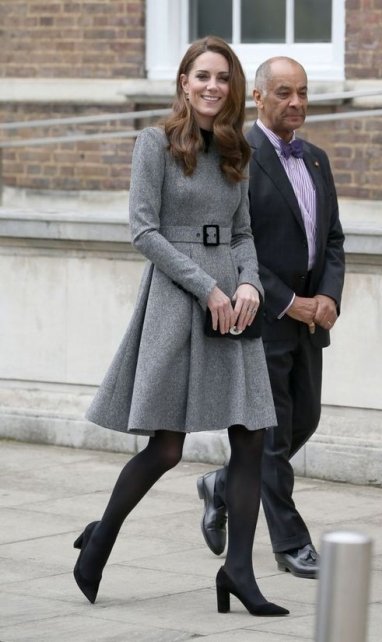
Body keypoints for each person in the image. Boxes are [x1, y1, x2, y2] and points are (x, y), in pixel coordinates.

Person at [73, 37, 288, 617]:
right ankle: (101, 538)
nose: (213, 86)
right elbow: (143, 230)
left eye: (223, 77)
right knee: (167, 448)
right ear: (184, 83)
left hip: (233, 303)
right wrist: (207, 287)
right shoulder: (155, 143)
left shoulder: (237, 149)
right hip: (178, 299)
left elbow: (242, 233)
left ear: (233, 87)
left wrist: (249, 284)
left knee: (251, 435)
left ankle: (238, 571)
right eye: (202, 76)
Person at [197, 56, 345, 579]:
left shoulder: (317, 159)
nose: (296, 102)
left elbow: (332, 238)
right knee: (274, 438)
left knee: (306, 421)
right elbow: (237, 244)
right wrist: (287, 301)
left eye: (302, 92)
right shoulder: (235, 156)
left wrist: (328, 296)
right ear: (259, 97)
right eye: (284, 92)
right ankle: (291, 543)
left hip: (311, 320)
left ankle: (221, 483)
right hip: (263, 317)